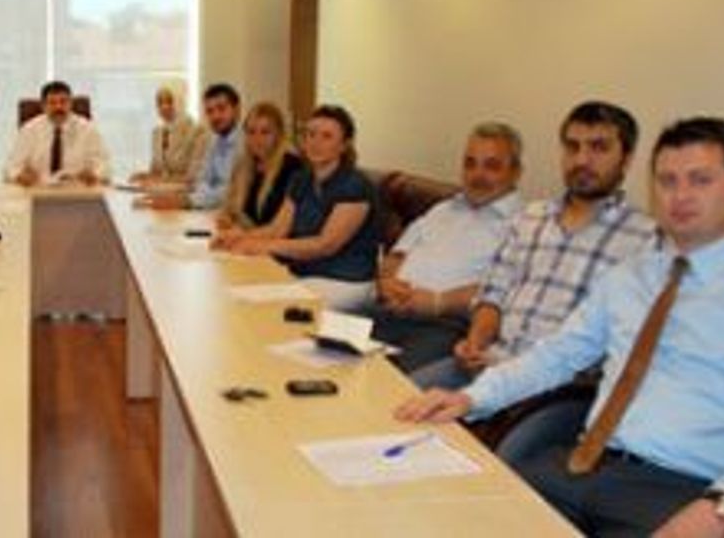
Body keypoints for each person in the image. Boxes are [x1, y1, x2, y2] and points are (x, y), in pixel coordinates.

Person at [396, 117, 724, 538]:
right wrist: (470, 397)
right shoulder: (628, 278)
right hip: (582, 466)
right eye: (667, 181)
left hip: (680, 491)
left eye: (700, 180)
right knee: (449, 516)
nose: (680, 195)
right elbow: (556, 355)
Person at [411, 101, 656, 392]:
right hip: (489, 364)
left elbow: (624, 341)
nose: (582, 160)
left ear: (626, 159)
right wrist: (476, 342)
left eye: (599, 148)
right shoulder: (530, 217)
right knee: (395, 403)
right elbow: (493, 294)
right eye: (572, 147)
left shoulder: (645, 239)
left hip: (558, 387)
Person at [369, 122, 524, 371]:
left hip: (445, 325)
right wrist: (386, 282)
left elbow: (505, 289)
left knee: (390, 382)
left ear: (516, 172)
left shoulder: (523, 225)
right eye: (470, 163)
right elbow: (396, 255)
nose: (477, 175)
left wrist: (438, 301)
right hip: (390, 310)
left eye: (491, 166)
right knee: (320, 343)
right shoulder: (442, 209)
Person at [213, 104, 380, 310]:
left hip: (344, 280)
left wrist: (264, 246)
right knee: (238, 291)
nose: (315, 142)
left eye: (327, 136)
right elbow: (277, 229)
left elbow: (324, 245)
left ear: (344, 145)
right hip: (305, 273)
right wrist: (239, 238)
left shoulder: (355, 185)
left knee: (267, 309)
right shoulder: (301, 179)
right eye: (310, 134)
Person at [141, 83, 242, 210]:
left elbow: (230, 189)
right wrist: (183, 199)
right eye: (210, 111)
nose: (215, 116)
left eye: (221, 109)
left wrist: (187, 201)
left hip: (233, 214)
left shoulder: (245, 143)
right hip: (209, 209)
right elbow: (202, 181)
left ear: (237, 109)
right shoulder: (215, 140)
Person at [5, 80, 110, 186]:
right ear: (43, 106)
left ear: (71, 104)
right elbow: (11, 168)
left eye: (63, 102)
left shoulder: (88, 130)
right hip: (38, 189)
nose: (58, 107)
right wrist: (20, 176)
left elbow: (104, 166)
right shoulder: (29, 130)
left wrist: (94, 175)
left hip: (77, 190)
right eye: (52, 103)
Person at [219, 101, 303, 227]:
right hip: (245, 236)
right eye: (251, 132)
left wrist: (242, 227)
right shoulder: (244, 164)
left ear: (279, 134)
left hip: (272, 238)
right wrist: (228, 217)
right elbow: (230, 209)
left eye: (265, 132)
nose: (257, 139)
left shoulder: (291, 167)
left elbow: (276, 223)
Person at [131, 84, 208, 185]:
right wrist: (143, 176)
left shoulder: (197, 131)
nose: (164, 107)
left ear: (180, 101)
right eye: (160, 103)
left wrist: (160, 181)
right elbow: (156, 172)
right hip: (160, 192)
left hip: (187, 193)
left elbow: (193, 177)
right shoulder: (157, 133)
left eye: (169, 101)